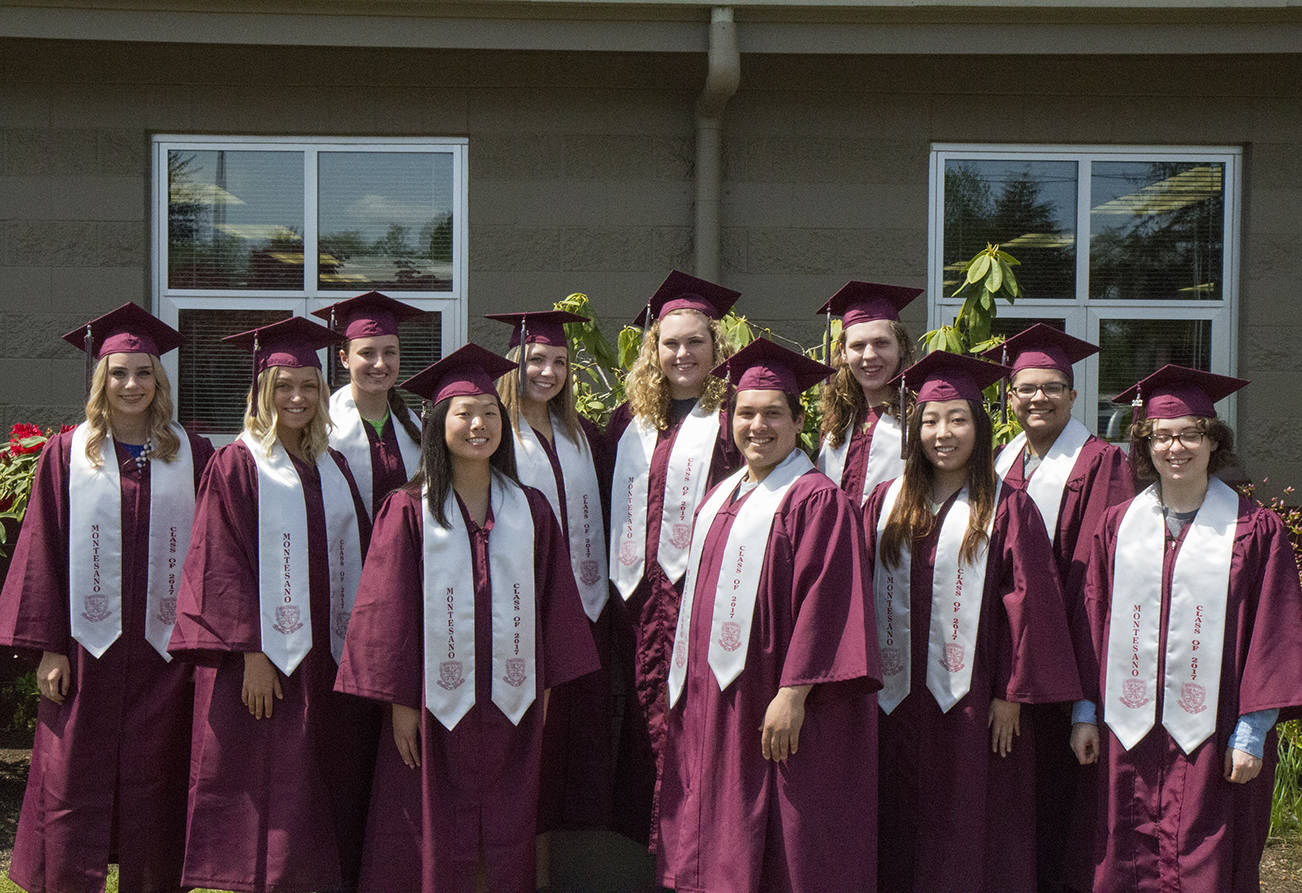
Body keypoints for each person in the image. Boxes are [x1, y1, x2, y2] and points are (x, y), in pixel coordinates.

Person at [334, 344, 599, 892]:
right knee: (435, 829)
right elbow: (389, 613)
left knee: (506, 825)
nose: (478, 425)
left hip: (513, 703)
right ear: (439, 424)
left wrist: (544, 687)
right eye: (464, 414)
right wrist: (401, 704)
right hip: (436, 707)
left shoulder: (531, 510)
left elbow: (554, 606)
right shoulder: (408, 510)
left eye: (488, 413)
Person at [0, 304, 214, 893]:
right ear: (101, 378)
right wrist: (48, 648)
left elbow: (211, 554)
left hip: (163, 658)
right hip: (84, 653)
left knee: (158, 784)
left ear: (159, 381)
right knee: (73, 782)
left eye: (144, 373)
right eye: (119, 372)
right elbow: (41, 546)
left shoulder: (190, 454)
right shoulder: (68, 452)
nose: (131, 385)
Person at [657, 339, 881, 893]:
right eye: (745, 413)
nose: (758, 426)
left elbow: (829, 603)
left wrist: (794, 692)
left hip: (773, 697)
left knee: (779, 826)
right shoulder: (723, 495)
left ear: (799, 418)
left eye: (773, 413)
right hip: (717, 694)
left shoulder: (817, 500)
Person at [1071, 365, 1302, 892]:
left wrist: (1252, 731)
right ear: (1145, 443)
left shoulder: (1254, 530)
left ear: (1212, 440)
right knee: (1123, 857)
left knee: (1205, 859)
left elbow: (1275, 631)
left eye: (1190, 434)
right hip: (1126, 733)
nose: (1176, 448)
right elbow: (1092, 618)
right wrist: (1084, 712)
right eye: (1162, 436)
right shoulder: (1117, 526)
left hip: (1213, 734)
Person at [863, 350, 1082, 893]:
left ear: (979, 428)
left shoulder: (1008, 507)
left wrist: (1011, 692)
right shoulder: (883, 503)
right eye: (931, 421)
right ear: (914, 432)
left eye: (958, 419)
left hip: (975, 703)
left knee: (969, 822)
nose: (943, 433)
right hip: (896, 700)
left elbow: (1029, 605)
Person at [167, 316, 373, 893]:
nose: (298, 397)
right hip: (263, 660)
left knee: (318, 775)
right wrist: (252, 650)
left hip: (324, 657)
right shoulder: (238, 463)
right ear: (262, 391)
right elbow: (218, 559)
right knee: (272, 779)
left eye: (308, 385)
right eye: (283, 385)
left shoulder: (330, 465)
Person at [981, 324, 1134, 892]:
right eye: (1025, 388)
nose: (1037, 398)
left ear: (1073, 396)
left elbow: (1101, 573)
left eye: (1051, 388)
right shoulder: (1001, 458)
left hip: (1069, 653)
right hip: (1007, 654)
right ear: (1010, 396)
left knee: (1057, 796)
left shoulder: (1100, 462)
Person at [606, 269, 742, 843]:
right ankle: (660, 853)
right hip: (640, 608)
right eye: (670, 343)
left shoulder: (739, 419)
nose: (682, 353)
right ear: (652, 351)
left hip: (704, 605)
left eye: (695, 342)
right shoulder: (627, 423)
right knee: (644, 722)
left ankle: (699, 850)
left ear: (717, 348)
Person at [485, 310, 613, 884]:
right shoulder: (495, 433)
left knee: (562, 750)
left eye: (560, 362)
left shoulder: (580, 434)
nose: (549, 371)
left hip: (582, 611)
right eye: (536, 360)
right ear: (515, 364)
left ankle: (544, 871)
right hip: (520, 611)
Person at [313, 291, 425, 518]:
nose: (380, 363)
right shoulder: (322, 423)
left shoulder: (415, 425)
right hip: (342, 551)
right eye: (367, 353)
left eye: (390, 352)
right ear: (344, 358)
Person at [815, 280, 920, 507]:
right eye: (858, 346)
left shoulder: (920, 419)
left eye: (881, 343)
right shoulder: (836, 421)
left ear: (901, 347)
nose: (869, 355)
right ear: (843, 352)